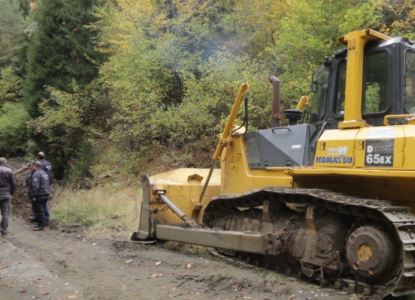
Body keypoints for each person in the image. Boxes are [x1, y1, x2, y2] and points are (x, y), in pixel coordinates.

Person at [28, 161, 50, 231]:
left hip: (40, 194)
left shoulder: (36, 174)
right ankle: (40, 221)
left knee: (39, 210)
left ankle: (41, 225)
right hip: (46, 193)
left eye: (33, 165)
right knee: (42, 209)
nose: (32, 166)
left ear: (36, 166)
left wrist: (33, 196)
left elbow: (35, 185)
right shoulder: (44, 173)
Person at [0, 157, 16, 236]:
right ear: (5, 163)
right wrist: (12, 192)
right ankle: (3, 230)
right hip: (6, 193)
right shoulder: (9, 171)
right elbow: (13, 183)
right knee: (5, 212)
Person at [37, 152, 52, 222]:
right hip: (48, 182)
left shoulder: (41, 165)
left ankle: (45, 217)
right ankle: (45, 216)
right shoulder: (48, 163)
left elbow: (41, 175)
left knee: (43, 202)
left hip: (43, 184)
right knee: (45, 200)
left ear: (38, 157)